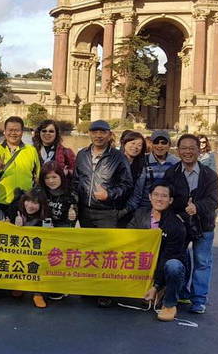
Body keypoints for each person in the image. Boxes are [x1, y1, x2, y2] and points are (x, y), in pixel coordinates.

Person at [72, 120, 132, 308]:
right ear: (89, 133)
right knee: (88, 251)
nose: (98, 136)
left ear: (109, 135)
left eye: (102, 132)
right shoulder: (82, 155)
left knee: (107, 253)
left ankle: (106, 292)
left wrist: (110, 194)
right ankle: (90, 287)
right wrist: (74, 203)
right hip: (85, 210)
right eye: (95, 132)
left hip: (107, 211)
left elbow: (127, 184)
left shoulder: (118, 157)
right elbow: (76, 181)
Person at [164, 134, 218, 314]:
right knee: (178, 259)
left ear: (199, 150)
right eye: (184, 148)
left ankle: (199, 300)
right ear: (178, 150)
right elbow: (167, 198)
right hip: (180, 225)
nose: (187, 152)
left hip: (204, 224)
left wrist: (197, 207)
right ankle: (181, 293)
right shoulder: (171, 173)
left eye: (191, 148)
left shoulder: (209, 175)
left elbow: (214, 201)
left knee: (202, 262)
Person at [128, 181, 188, 322]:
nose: (159, 199)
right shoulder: (140, 214)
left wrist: (156, 286)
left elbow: (167, 256)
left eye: (164, 196)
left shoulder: (176, 225)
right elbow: (128, 237)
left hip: (164, 264)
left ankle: (169, 304)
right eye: (156, 195)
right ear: (150, 197)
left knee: (174, 266)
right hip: (143, 262)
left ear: (170, 200)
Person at [0, 116, 41, 216]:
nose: (13, 133)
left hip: (25, 203)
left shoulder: (31, 150)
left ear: (22, 132)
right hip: (1, 202)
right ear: (4, 132)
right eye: (10, 130)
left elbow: (37, 175)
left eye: (17, 130)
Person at [11, 188, 51, 308]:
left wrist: (50, 231)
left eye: (35, 203)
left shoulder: (46, 216)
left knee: (38, 265)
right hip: (19, 249)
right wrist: (14, 226)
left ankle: (38, 293)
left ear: (41, 205)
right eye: (28, 201)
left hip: (37, 251)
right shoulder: (15, 210)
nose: (30, 205)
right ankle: (19, 285)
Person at [127, 130, 179, 213]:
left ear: (169, 145)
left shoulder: (176, 163)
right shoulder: (143, 161)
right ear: (151, 144)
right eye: (156, 142)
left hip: (168, 209)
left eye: (163, 143)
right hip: (145, 208)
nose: (159, 146)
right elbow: (138, 191)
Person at [39, 161, 77, 228]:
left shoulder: (71, 193)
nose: (51, 181)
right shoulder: (39, 192)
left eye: (54, 177)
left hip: (63, 230)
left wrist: (74, 213)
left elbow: (78, 210)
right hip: (42, 229)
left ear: (61, 176)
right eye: (47, 178)